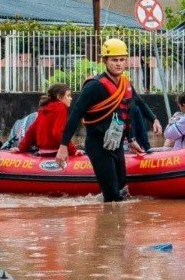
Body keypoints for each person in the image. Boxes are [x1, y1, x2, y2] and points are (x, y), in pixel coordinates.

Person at [56, 38, 162, 202]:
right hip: (98, 145)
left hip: (116, 143)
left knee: (122, 189)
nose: (119, 64)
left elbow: (136, 103)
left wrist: (153, 120)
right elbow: (76, 114)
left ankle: (116, 224)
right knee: (112, 196)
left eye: (121, 60)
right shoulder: (94, 86)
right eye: (114, 60)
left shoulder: (125, 83)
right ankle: (106, 225)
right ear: (105, 60)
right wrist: (63, 146)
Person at [14, 83, 83, 156]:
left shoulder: (44, 108)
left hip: (42, 153)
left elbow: (31, 131)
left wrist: (21, 148)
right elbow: (58, 133)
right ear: (59, 97)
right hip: (56, 153)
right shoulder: (61, 107)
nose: (71, 98)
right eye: (68, 96)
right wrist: (73, 150)